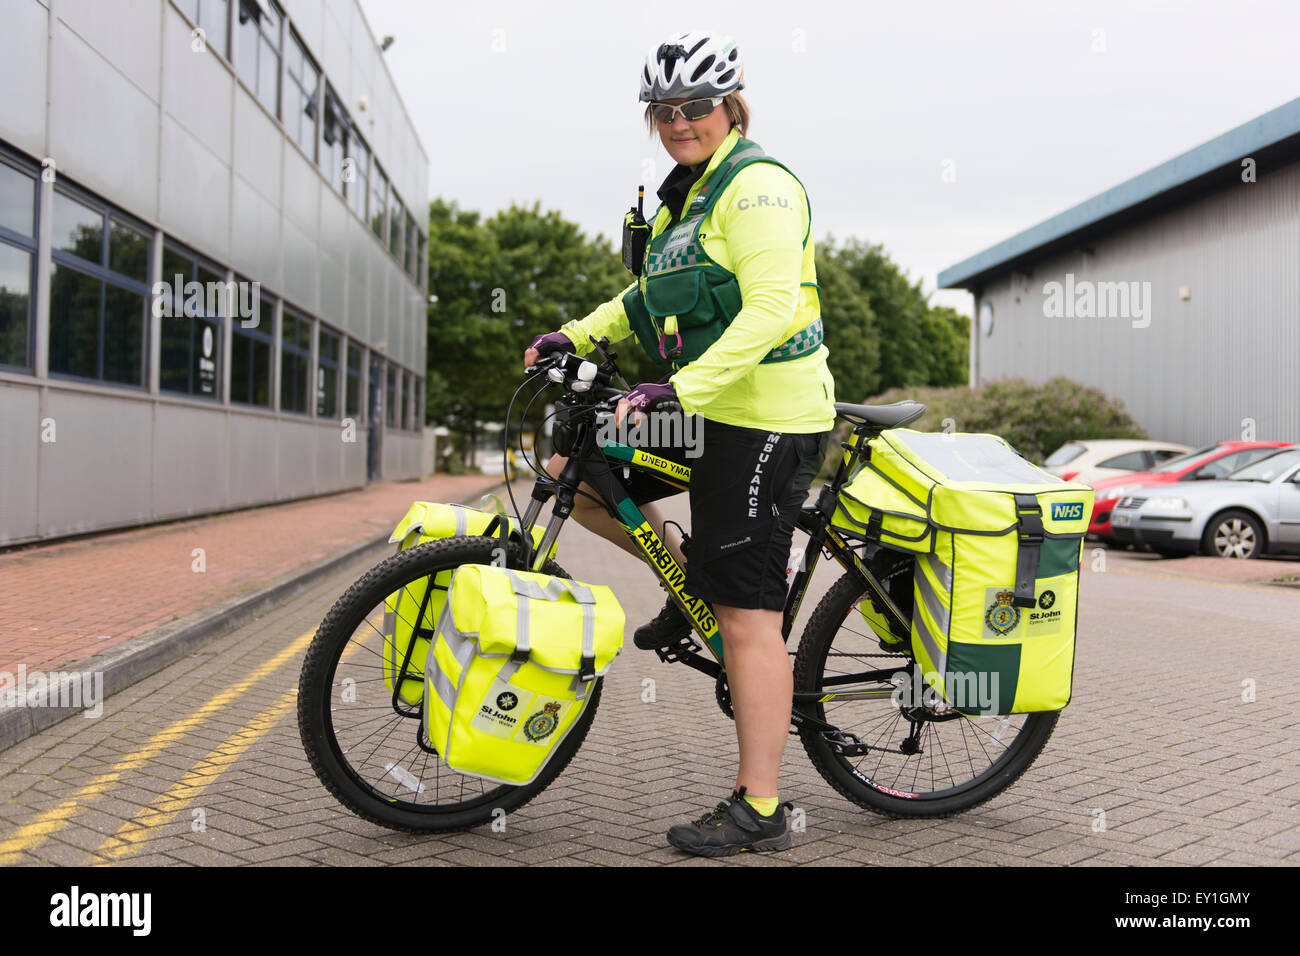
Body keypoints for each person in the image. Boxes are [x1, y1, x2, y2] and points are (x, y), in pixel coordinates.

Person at [523, 30, 835, 857]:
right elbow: (643, 296)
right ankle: (691, 575)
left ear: (730, 106)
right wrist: (574, 335)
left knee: (746, 617)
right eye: (663, 110)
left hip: (767, 413)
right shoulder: (684, 199)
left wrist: (678, 390)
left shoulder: (758, 189)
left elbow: (771, 308)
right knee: (578, 475)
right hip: (706, 403)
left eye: (694, 107)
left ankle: (761, 808)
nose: (678, 122)